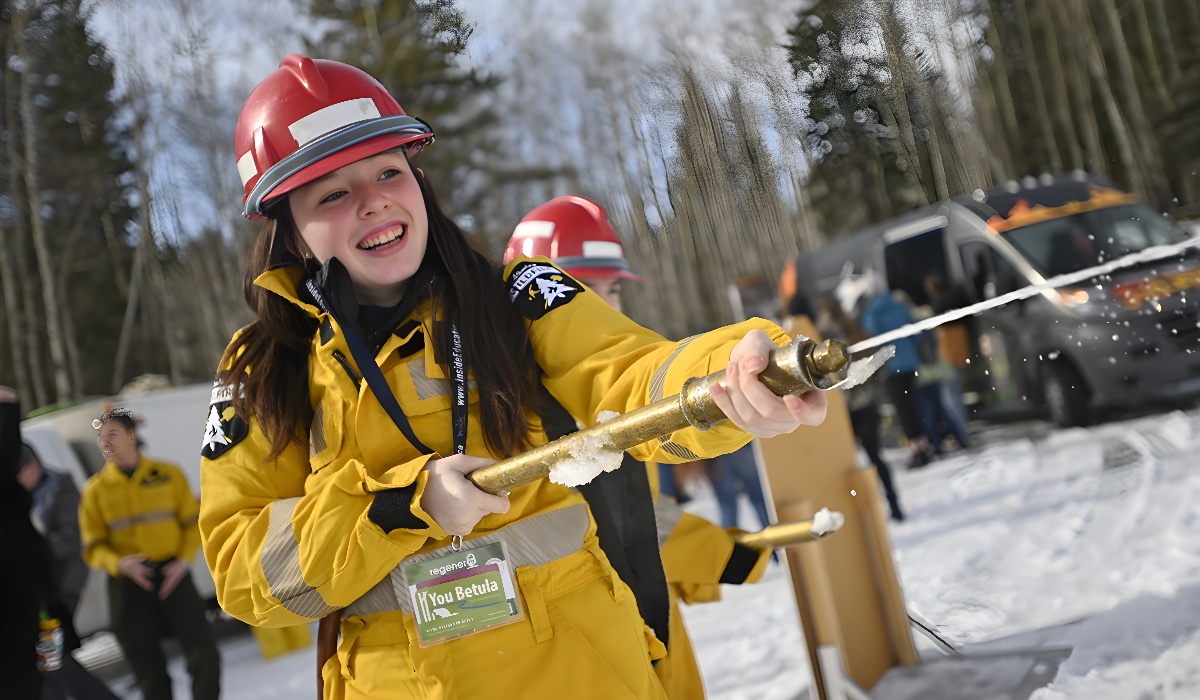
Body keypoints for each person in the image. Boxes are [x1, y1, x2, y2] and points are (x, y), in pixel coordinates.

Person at [199, 55, 826, 700]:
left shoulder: (518, 296)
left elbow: (630, 371)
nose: (374, 200)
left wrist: (731, 376)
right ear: (290, 232)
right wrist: (395, 508)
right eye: (332, 193)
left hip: (584, 673)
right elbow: (245, 572)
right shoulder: (260, 369)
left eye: (390, 170)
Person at [506, 195, 775, 698]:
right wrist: (719, 555)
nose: (604, 306)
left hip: (652, 636)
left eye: (612, 289)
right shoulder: (510, 420)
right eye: (582, 289)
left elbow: (638, 521)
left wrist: (720, 557)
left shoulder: (607, 393)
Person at [80, 408, 221, 700]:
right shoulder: (95, 490)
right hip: (127, 582)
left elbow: (194, 523)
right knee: (146, 664)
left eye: (112, 435)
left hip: (174, 572)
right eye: (100, 437)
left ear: (132, 436)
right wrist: (119, 564)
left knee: (203, 651)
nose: (105, 443)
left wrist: (183, 561)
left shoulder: (168, 475)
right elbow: (92, 547)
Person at [815, 295, 904, 521]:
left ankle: (863, 512)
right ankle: (892, 505)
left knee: (849, 465)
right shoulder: (849, 328)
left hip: (845, 408)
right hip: (862, 404)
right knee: (874, 458)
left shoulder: (822, 334)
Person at [17, 444, 89, 633]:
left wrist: (33, 553)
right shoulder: (24, 495)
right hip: (42, 582)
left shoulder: (59, 488)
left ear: (33, 465)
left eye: (19, 473)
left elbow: (71, 538)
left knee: (53, 641)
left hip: (64, 578)